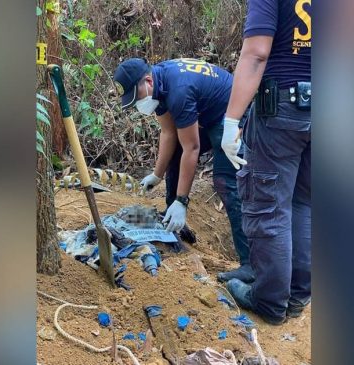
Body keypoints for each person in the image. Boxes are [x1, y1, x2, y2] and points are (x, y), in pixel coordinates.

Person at [113, 58, 253, 282]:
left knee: (225, 181)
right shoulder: (159, 86)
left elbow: (192, 148)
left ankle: (250, 264)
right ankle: (173, 225)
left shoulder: (178, 92)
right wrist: (157, 175)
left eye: (136, 97)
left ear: (147, 81)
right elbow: (169, 134)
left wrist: (182, 201)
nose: (137, 104)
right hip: (211, 112)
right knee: (176, 149)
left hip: (232, 113)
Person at [220, 0, 312, 325]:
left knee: (270, 207)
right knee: (305, 203)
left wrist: (231, 120)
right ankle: (298, 296)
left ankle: (270, 301)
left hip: (284, 110)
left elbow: (257, 52)